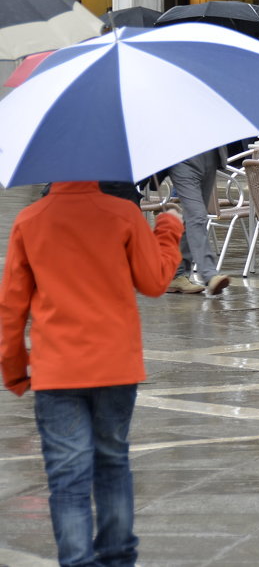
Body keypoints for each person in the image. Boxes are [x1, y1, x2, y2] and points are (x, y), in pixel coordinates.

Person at [1, 183, 184, 567]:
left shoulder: (29, 220)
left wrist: (15, 369)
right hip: (116, 365)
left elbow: (11, 308)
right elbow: (154, 283)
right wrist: (168, 228)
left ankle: (78, 561)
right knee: (113, 461)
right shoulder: (123, 214)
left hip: (57, 369)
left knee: (68, 477)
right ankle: (118, 559)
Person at [165, 148, 231, 296]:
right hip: (182, 158)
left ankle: (176, 275)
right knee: (197, 215)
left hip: (210, 154)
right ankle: (209, 274)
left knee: (194, 218)